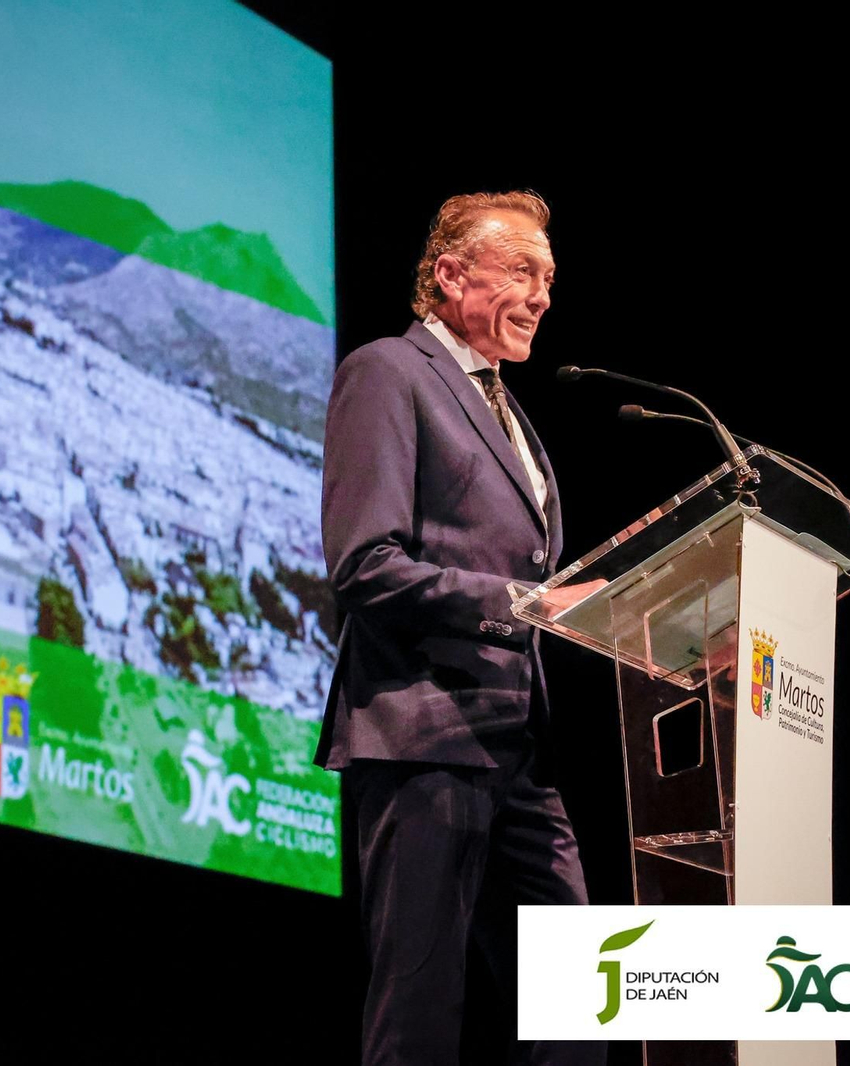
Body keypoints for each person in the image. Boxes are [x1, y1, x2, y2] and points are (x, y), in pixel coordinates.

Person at [316, 191, 602, 1065]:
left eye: (550, 277)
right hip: (423, 736)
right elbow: (364, 564)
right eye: (522, 270)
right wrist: (522, 607)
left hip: (519, 748)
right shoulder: (388, 373)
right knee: (422, 1012)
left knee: (579, 1012)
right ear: (449, 275)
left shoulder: (511, 413)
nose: (544, 294)